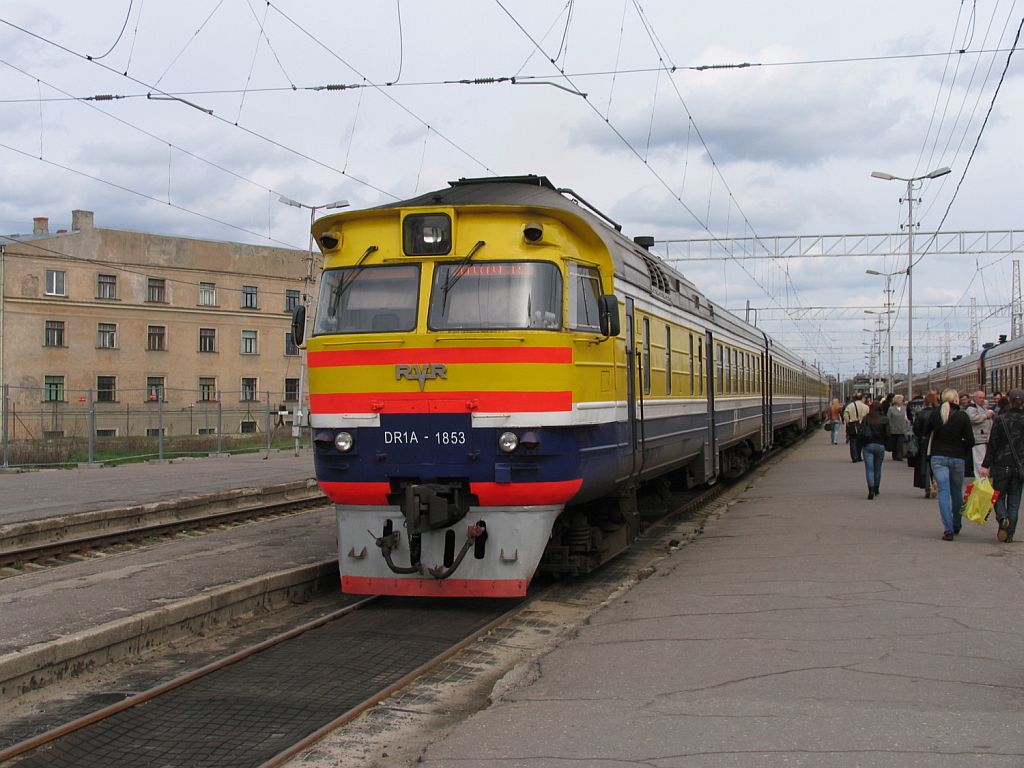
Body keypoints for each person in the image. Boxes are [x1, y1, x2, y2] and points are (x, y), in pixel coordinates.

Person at [978, 387, 1024, 543]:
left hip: (1001, 465)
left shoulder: (1000, 419)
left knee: (998, 496)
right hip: (1020, 467)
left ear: (1009, 401)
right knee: (1015, 500)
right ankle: (1009, 535)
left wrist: (985, 465)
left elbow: (993, 444)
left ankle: (1002, 517)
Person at [929, 388, 975, 541]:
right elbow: (971, 441)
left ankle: (947, 529)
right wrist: (964, 453)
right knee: (956, 492)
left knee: (943, 492)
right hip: (957, 458)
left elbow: (923, 432)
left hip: (938, 457)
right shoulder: (963, 416)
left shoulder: (936, 414)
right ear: (956, 399)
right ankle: (956, 523)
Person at [859, 402, 888, 499]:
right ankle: (876, 489)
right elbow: (888, 433)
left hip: (868, 446)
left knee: (869, 469)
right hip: (880, 446)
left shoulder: (866, 418)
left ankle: (870, 489)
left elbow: (861, 431)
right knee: (878, 469)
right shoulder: (884, 419)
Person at [913, 392, 939, 497]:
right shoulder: (938, 413)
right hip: (936, 441)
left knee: (924, 463)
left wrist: (921, 436)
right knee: (936, 463)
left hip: (924, 441)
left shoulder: (920, 413)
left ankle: (927, 486)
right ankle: (935, 483)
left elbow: (916, 429)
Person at [965, 390, 994, 478]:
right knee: (979, 461)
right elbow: (973, 419)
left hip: (986, 438)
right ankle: (981, 481)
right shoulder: (971, 408)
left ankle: (984, 480)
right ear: (974, 398)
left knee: (984, 461)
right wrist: (986, 415)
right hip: (978, 438)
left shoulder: (982, 407)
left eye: (983, 397)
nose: (982, 399)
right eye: (980, 398)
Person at [843, 393, 869, 463]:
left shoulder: (850, 406)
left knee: (853, 441)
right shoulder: (866, 407)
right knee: (860, 442)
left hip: (853, 425)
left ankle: (854, 457)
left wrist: (848, 421)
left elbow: (845, 414)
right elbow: (868, 416)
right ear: (862, 398)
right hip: (862, 426)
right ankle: (859, 456)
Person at [886, 394, 910, 460]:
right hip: (893, 429)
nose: (902, 401)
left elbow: (907, 418)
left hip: (902, 429)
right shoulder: (891, 409)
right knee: (894, 443)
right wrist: (889, 427)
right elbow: (888, 419)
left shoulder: (905, 408)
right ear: (896, 401)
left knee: (900, 443)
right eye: (900, 400)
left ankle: (900, 456)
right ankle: (895, 454)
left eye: (902, 400)